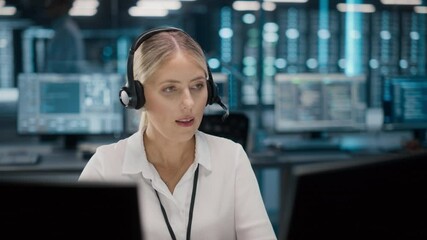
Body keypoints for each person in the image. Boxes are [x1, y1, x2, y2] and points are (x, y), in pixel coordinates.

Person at [78, 27, 277, 240]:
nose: (189, 103)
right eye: (170, 89)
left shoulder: (231, 158)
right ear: (137, 97)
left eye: (197, 86)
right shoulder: (106, 167)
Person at [42, 0, 85, 73]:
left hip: (63, 83)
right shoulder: (64, 29)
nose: (49, 7)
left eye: (53, 3)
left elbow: (61, 69)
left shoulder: (65, 31)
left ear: (63, 6)